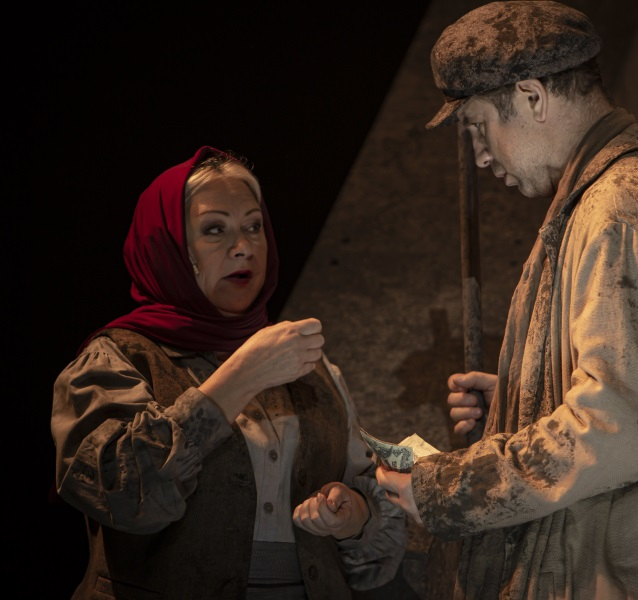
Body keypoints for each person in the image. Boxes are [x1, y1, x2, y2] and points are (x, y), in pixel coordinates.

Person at [375, 2, 638, 598]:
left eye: (477, 125)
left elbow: (625, 420)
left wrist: (455, 487)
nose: (479, 154)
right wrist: (528, 397)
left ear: (531, 97)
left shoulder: (618, 212)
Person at [51, 146, 408, 600]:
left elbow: (381, 535)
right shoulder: (120, 357)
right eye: (214, 229)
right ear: (169, 248)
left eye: (254, 227)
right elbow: (121, 495)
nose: (244, 247)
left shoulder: (310, 365)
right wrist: (241, 375)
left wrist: (355, 516)